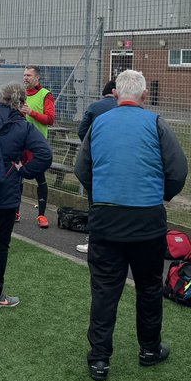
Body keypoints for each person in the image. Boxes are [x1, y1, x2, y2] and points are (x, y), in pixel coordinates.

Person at [74, 69, 187, 381]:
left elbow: (81, 169)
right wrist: (160, 195)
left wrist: (101, 196)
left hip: (106, 221)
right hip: (147, 222)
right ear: (145, 96)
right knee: (149, 288)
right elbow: (178, 170)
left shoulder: (99, 124)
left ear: (115, 95)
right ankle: (149, 349)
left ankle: (99, 359)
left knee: (104, 290)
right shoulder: (156, 123)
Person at [0, 82, 52, 307]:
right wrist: (24, 171)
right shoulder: (23, 127)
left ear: (0, 99)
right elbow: (45, 155)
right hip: (4, 194)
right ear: (22, 103)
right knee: (0, 244)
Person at [75, 79, 117, 254]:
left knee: (94, 201)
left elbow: (81, 131)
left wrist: (92, 146)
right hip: (117, 161)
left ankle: (93, 240)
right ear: (115, 91)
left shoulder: (94, 107)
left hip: (96, 161)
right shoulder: (123, 108)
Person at [22, 65, 56, 228]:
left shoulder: (45, 95)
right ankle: (15, 211)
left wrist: (31, 112)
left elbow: (50, 119)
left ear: (37, 78)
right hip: (20, 143)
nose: (25, 77)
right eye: (24, 75)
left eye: (29, 75)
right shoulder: (20, 94)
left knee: (40, 179)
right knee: (17, 176)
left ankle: (41, 215)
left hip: (37, 145)